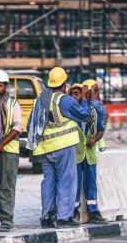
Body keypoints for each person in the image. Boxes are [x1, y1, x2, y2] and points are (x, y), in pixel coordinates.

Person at [27, 67, 98, 229]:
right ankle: (64, 217)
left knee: (48, 182)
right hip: (64, 146)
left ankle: (47, 216)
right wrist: (86, 99)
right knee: (66, 181)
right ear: (64, 83)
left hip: (46, 148)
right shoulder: (64, 100)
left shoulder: (41, 99)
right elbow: (85, 115)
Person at [0, 70, 22, 232]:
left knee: (6, 187)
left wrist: (0, 144)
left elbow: (17, 128)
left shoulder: (13, 104)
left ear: (6, 87)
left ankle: (6, 221)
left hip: (8, 151)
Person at [72, 79, 108, 224]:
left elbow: (100, 128)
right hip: (76, 154)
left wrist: (94, 139)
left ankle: (93, 212)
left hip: (89, 153)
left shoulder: (94, 109)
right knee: (75, 184)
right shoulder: (73, 109)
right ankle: (73, 212)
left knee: (90, 184)